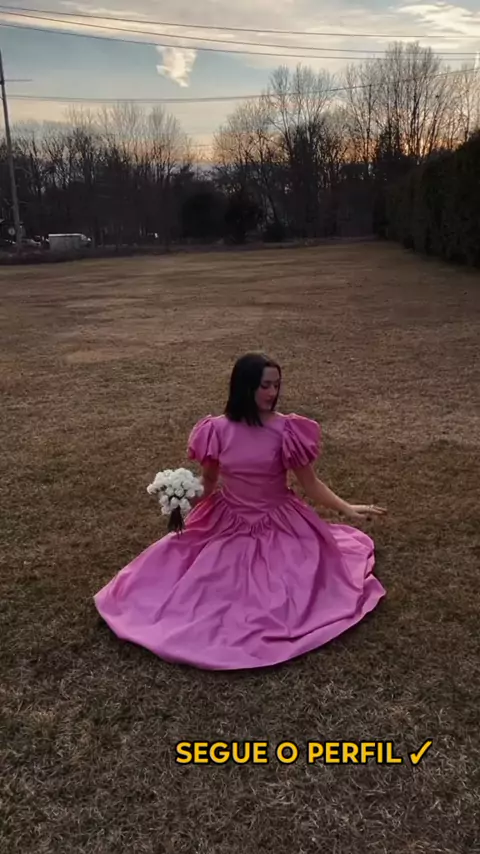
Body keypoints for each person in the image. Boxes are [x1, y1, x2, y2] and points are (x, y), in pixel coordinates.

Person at [94, 353, 387, 670]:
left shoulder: (287, 430)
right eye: (265, 386)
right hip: (227, 518)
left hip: (278, 521)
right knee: (191, 577)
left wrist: (346, 508)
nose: (272, 393)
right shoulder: (216, 430)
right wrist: (182, 497)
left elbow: (311, 484)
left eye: (276, 385)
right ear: (244, 386)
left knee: (280, 595)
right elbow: (209, 482)